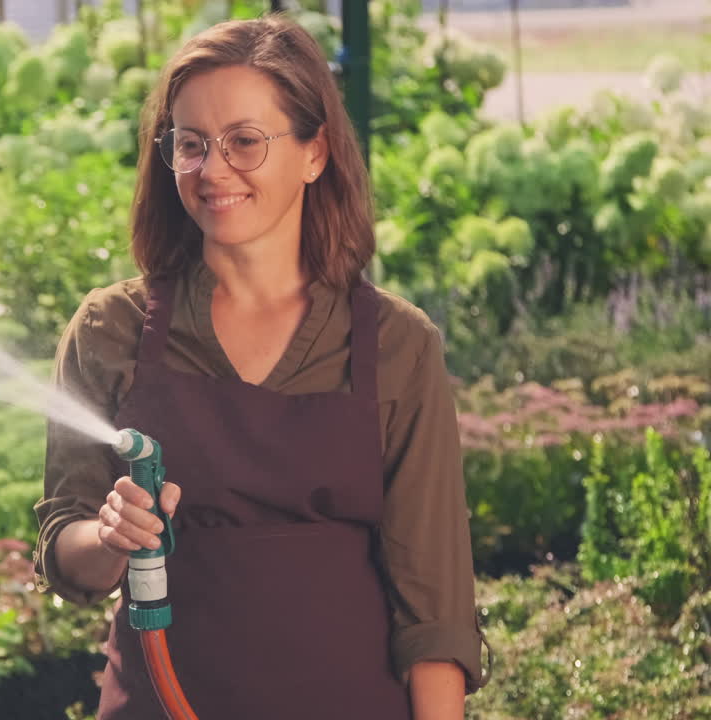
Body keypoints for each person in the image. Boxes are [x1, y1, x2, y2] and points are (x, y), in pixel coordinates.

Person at [33, 13, 489, 720]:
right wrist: (111, 536)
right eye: (190, 144)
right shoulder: (110, 328)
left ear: (315, 153)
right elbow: (65, 543)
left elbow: (435, 615)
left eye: (244, 141)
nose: (213, 170)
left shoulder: (397, 345)